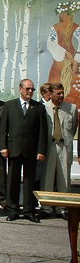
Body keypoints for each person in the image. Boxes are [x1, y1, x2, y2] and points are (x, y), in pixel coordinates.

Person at [0, 79, 48, 223]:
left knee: (30, 182)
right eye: (27, 89)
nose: (30, 92)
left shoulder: (38, 107)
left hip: (31, 151)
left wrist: (41, 150)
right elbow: (4, 129)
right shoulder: (9, 105)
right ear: (20, 89)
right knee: (12, 181)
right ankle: (13, 210)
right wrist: (3, 146)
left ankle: (29, 210)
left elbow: (42, 132)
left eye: (32, 89)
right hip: (13, 149)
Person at [40, 83, 78, 220]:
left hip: (64, 146)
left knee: (64, 178)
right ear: (50, 94)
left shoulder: (71, 108)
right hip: (49, 147)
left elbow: (72, 129)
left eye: (62, 93)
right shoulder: (43, 108)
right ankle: (46, 208)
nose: (61, 96)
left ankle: (63, 208)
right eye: (58, 93)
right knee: (47, 178)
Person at [47, 1, 80, 110]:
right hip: (60, 64)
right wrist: (66, 53)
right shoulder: (55, 27)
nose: (62, 15)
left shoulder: (76, 27)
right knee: (56, 85)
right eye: (61, 13)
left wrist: (76, 59)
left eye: (64, 13)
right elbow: (51, 44)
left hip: (71, 64)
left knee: (74, 90)